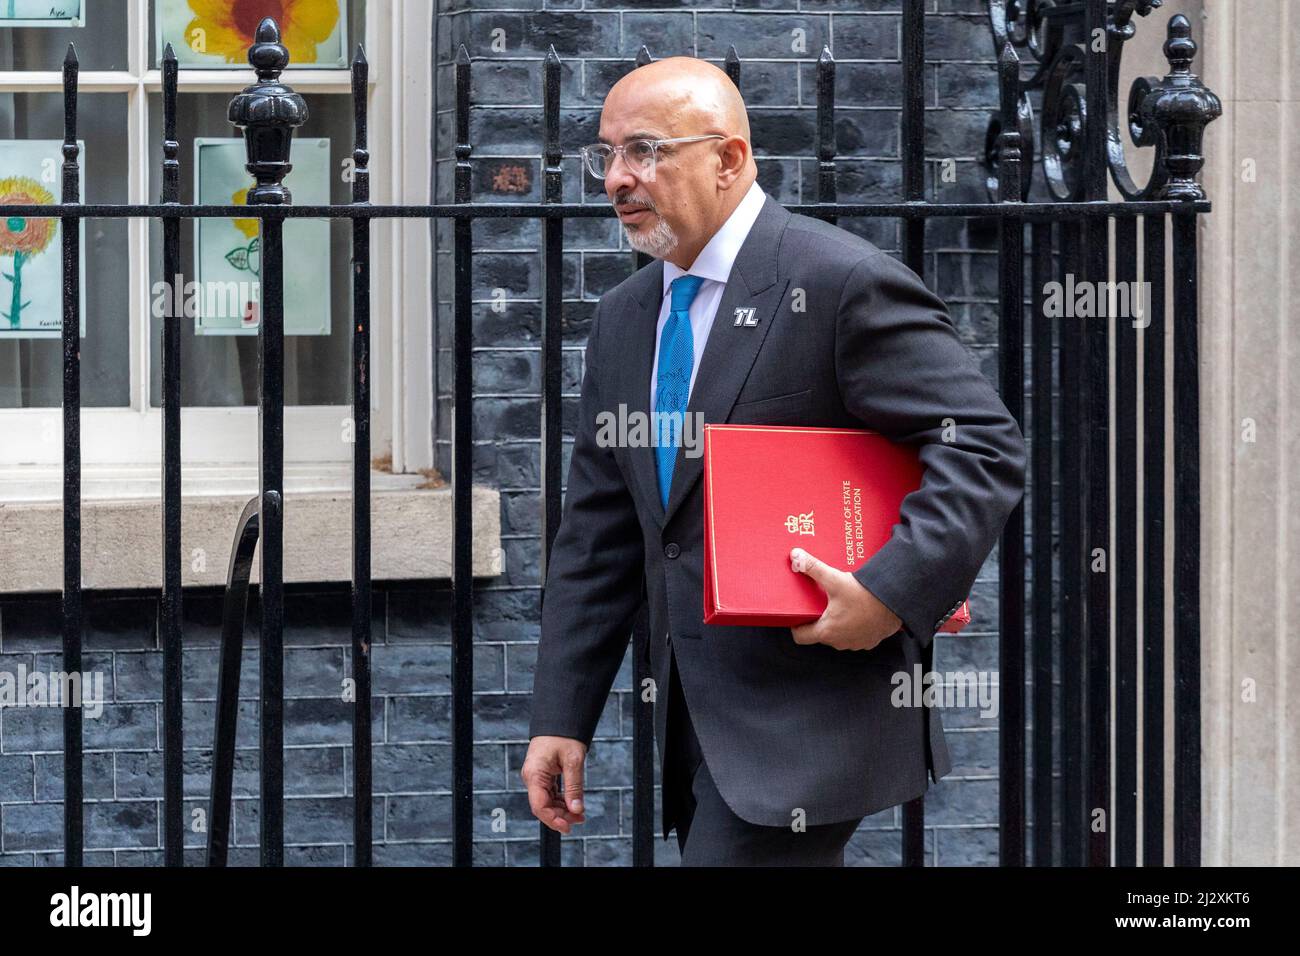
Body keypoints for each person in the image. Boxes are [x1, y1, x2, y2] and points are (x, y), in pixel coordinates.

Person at [520, 55, 1027, 866]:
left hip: (811, 720)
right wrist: (561, 715)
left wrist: (888, 593)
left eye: (645, 151)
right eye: (607, 154)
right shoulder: (625, 317)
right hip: (695, 726)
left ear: (728, 159)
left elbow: (983, 446)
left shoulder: (840, 282)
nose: (616, 178)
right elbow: (600, 533)